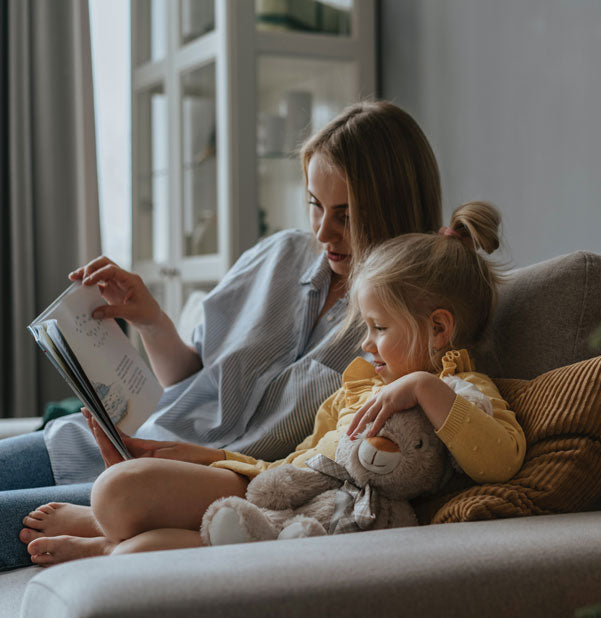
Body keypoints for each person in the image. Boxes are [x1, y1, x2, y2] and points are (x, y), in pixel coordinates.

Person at [1, 100, 444, 571]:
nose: (322, 232)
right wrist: (150, 318)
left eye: (346, 216)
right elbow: (193, 377)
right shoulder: (279, 255)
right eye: (315, 205)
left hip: (177, 486)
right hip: (116, 437)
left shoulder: (403, 326)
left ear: (394, 210)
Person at [27, 203, 525, 562]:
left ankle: (107, 542)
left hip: (315, 526)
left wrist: (423, 387)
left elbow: (501, 460)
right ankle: (108, 523)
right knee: (116, 489)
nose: (367, 344)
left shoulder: (465, 391)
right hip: (278, 494)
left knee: (134, 553)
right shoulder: (354, 390)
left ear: (438, 328)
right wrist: (212, 458)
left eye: (378, 328)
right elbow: (293, 464)